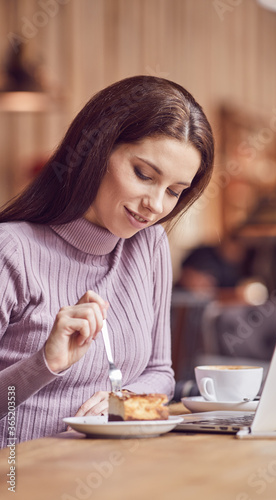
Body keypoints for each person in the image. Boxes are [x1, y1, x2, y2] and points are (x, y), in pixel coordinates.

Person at [0, 75, 214, 446]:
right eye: (144, 175)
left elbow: (159, 371)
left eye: (174, 192)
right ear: (96, 149)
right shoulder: (12, 250)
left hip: (114, 471)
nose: (156, 205)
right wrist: (44, 364)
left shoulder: (148, 246)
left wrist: (126, 404)